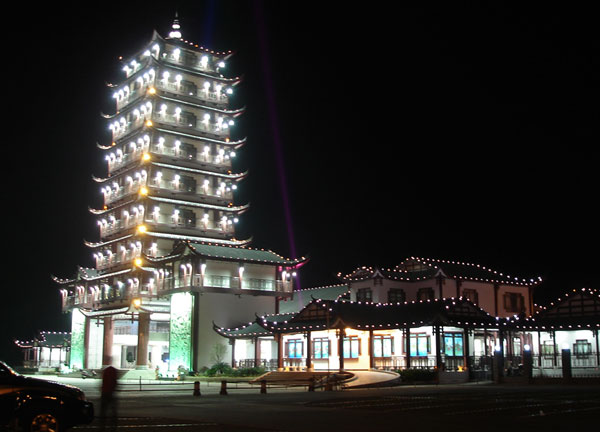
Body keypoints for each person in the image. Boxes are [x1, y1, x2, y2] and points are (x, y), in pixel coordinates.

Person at [99, 364, 118, 431]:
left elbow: (104, 382)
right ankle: (113, 423)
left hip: (105, 393)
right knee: (112, 409)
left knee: (103, 410)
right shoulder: (113, 372)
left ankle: (102, 424)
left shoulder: (106, 371)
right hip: (110, 393)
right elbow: (114, 382)